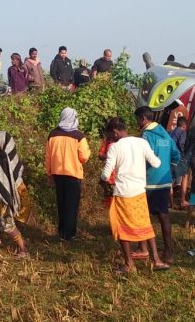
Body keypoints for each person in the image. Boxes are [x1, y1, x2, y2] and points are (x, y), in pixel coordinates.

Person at [101, 117, 169, 274]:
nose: (111, 138)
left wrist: (103, 178)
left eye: (111, 135)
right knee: (145, 223)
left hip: (123, 193)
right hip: (139, 191)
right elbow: (157, 163)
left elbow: (106, 174)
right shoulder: (141, 142)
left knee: (121, 226)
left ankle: (129, 264)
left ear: (116, 132)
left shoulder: (115, 148)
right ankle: (157, 260)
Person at [133, 107, 180, 263]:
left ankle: (143, 248)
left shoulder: (146, 136)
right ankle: (169, 252)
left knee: (142, 216)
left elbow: (144, 157)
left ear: (143, 119)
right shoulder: (164, 133)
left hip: (148, 181)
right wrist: (168, 168)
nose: (137, 123)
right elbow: (176, 154)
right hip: (164, 181)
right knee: (163, 216)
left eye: (137, 120)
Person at [45, 107, 91, 241]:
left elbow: (48, 156)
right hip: (73, 174)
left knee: (61, 203)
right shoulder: (79, 136)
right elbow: (84, 157)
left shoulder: (52, 134)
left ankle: (61, 233)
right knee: (71, 205)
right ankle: (69, 235)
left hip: (57, 174)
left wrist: (49, 173)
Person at [0, 131, 30, 258]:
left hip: (10, 195)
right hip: (14, 192)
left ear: (2, 143)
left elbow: (6, 181)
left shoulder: (4, 158)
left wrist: (6, 199)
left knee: (8, 223)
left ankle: (23, 249)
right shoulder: (11, 153)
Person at [168, 116, 187, 207]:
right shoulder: (182, 132)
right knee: (185, 175)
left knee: (170, 181)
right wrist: (183, 151)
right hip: (179, 157)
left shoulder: (171, 132)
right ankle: (183, 200)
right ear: (185, 125)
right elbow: (181, 143)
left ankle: (171, 203)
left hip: (170, 158)